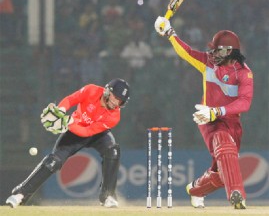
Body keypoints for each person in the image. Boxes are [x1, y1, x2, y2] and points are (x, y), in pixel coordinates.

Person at [154, 17, 253, 209]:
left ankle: (195, 190)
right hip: (207, 118)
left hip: (230, 121)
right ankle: (237, 194)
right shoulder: (208, 62)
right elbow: (187, 52)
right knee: (223, 144)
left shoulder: (244, 73)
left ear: (231, 51)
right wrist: (170, 33)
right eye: (214, 49)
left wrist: (218, 111)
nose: (214, 53)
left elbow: (245, 103)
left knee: (220, 172)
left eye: (219, 50)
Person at [6, 78, 130, 208]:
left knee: (113, 151)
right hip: (74, 131)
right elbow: (70, 100)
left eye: (120, 100)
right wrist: (60, 111)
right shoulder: (91, 90)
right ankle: (20, 194)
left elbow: (88, 132)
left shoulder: (114, 116)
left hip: (96, 134)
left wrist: (68, 122)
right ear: (107, 91)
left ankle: (108, 196)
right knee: (53, 162)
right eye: (115, 97)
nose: (116, 102)